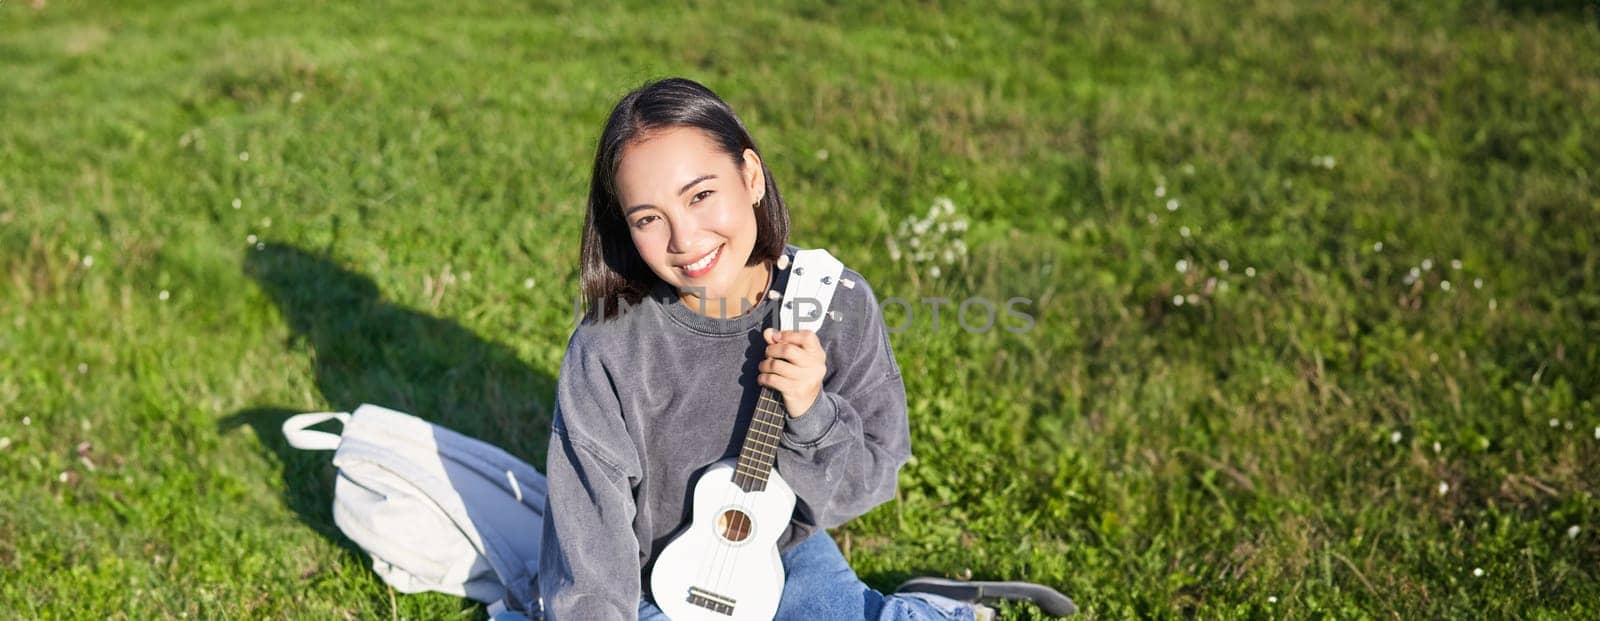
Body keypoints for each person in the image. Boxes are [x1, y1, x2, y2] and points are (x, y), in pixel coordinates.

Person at [536, 77, 1075, 620]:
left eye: (701, 195)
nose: (684, 239)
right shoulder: (609, 347)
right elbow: (590, 532)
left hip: (781, 548)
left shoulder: (833, 304)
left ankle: (927, 609)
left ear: (749, 177)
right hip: (657, 582)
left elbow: (868, 483)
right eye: (648, 218)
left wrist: (812, 415)